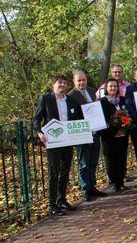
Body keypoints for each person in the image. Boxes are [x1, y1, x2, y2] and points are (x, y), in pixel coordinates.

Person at [33, 75, 83, 216]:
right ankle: (52, 204)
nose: (62, 85)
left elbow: (79, 118)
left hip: (68, 140)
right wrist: (39, 133)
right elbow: (37, 119)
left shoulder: (71, 100)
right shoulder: (46, 99)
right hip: (53, 139)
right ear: (53, 85)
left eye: (64, 83)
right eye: (59, 82)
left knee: (65, 170)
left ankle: (62, 200)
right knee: (54, 172)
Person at [68, 70, 107, 201]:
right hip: (83, 134)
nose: (81, 82)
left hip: (95, 132)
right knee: (84, 163)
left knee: (93, 161)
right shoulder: (71, 96)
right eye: (79, 80)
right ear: (74, 81)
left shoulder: (92, 91)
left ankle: (92, 186)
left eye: (83, 80)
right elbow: (71, 116)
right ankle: (85, 190)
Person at [99, 78, 130, 193]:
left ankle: (121, 182)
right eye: (110, 86)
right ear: (106, 88)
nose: (113, 88)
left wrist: (125, 125)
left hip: (122, 135)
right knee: (111, 159)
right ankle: (113, 183)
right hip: (109, 136)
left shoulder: (122, 100)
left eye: (115, 86)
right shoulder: (102, 101)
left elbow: (128, 114)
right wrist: (114, 128)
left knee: (122, 158)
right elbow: (103, 119)